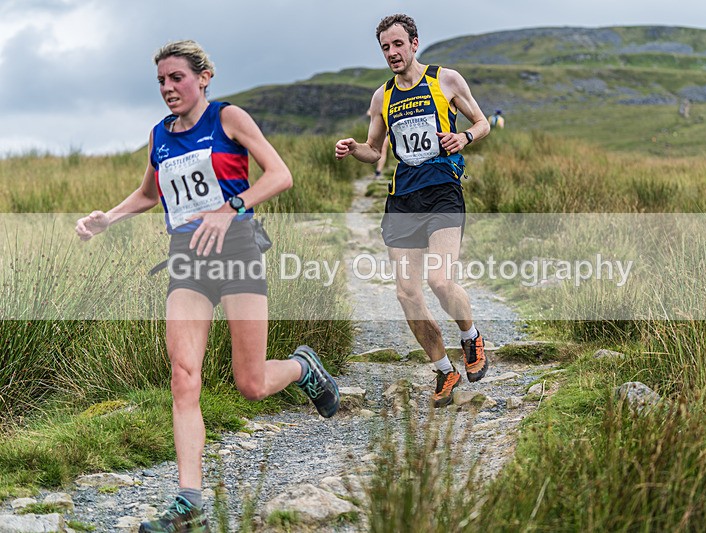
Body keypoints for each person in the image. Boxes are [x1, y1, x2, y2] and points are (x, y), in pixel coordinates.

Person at [75, 40, 340, 533]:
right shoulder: (159, 135)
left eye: (176, 77)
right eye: (161, 80)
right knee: (183, 375)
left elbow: (280, 174)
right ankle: (189, 502)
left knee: (251, 384)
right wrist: (108, 218)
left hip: (237, 251)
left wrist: (229, 208)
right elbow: (149, 194)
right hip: (187, 261)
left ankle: (304, 367)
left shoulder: (228, 119)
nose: (167, 88)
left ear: (203, 77)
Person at [335, 14, 490, 408]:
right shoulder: (382, 97)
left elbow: (482, 122)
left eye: (398, 44)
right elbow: (375, 150)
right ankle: (444, 370)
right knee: (406, 294)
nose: (392, 53)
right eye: (385, 47)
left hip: (442, 192)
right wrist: (354, 149)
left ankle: (471, 337)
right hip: (403, 199)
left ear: (414, 43)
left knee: (440, 280)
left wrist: (464, 137)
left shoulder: (445, 80)